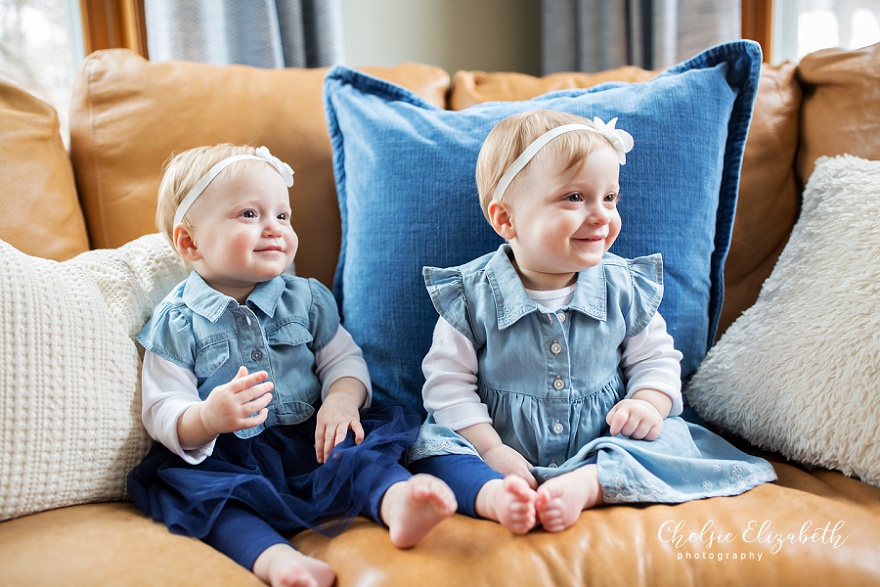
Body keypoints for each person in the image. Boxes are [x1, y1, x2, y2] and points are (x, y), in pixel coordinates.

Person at [406, 110, 777, 535]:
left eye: (610, 198)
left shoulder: (624, 287)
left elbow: (656, 360)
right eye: (575, 198)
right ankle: (496, 495)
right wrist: (490, 449)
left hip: (605, 440)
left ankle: (591, 483)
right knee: (435, 450)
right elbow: (447, 386)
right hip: (497, 443)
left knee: (670, 438)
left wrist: (647, 405)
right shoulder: (470, 297)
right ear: (506, 219)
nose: (601, 215)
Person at [128, 144, 457, 587]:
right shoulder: (177, 321)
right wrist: (206, 417)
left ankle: (400, 504)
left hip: (314, 433)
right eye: (250, 214)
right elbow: (162, 407)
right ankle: (279, 562)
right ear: (190, 241)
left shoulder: (305, 298)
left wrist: (341, 401)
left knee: (360, 454)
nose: (274, 229)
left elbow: (344, 359)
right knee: (211, 500)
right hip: (229, 456)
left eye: (282, 216)